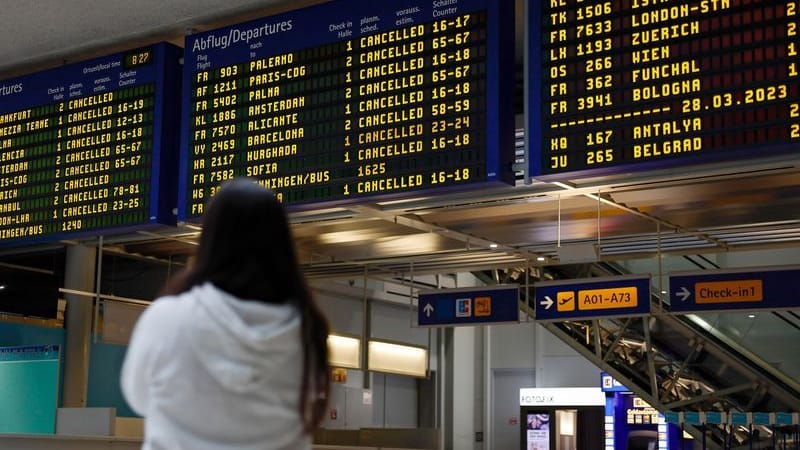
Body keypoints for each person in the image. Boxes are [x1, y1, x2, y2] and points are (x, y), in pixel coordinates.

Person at [121, 178, 330, 450]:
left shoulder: (167, 318)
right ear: (281, 243)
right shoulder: (307, 330)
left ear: (210, 240)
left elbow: (138, 397)